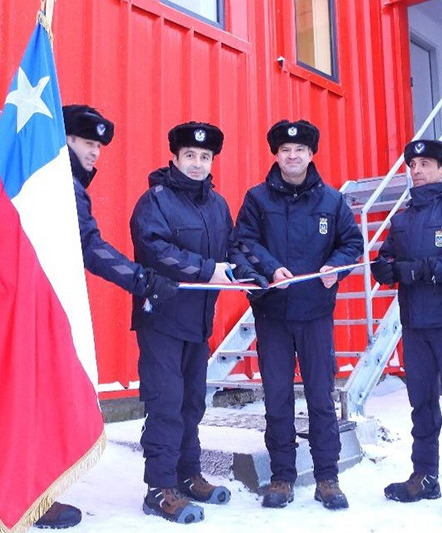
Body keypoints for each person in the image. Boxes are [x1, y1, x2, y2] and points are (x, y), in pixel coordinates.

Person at [33, 105, 179, 530]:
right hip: (39, 302)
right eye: (89, 143)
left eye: (99, 145)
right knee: (39, 397)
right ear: (67, 140)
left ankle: (31, 490)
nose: (96, 152)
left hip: (35, 299)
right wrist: (142, 279)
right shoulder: (59, 182)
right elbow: (88, 246)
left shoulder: (52, 178)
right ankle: (32, 495)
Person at [130, 121, 263, 524]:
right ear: (174, 157)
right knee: (166, 403)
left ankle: (188, 475)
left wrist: (256, 273)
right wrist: (208, 270)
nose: (197, 163)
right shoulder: (154, 201)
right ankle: (159, 488)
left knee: (191, 403)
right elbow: (154, 251)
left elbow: (233, 249)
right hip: (162, 321)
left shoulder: (218, 205)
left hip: (198, 322)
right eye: (190, 155)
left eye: (205, 157)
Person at [231, 119, 363, 510]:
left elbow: (351, 243)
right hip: (272, 314)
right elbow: (242, 244)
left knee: (321, 397)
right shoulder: (257, 199)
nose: (292, 156)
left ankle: (327, 476)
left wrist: (335, 267)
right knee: (277, 398)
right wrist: (271, 269)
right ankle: (282, 477)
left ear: (311, 154)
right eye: (285, 150)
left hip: (315, 314)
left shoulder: (332, 201)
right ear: (276, 154)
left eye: (300, 150)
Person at [370, 139, 442, 519]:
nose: (417, 170)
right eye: (413, 164)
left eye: (425, 163)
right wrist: (383, 267)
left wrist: (420, 270)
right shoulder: (402, 218)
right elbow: (387, 256)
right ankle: (424, 475)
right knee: (421, 404)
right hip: (414, 324)